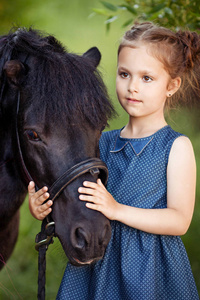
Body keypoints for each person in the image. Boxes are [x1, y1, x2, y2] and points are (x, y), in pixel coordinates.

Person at [28, 22, 199, 299]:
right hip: (98, 257)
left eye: (147, 78)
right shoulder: (101, 141)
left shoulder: (176, 147)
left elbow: (179, 220)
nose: (132, 87)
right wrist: (42, 208)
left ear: (172, 85)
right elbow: (79, 195)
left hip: (150, 268)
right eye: (124, 74)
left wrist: (117, 210)